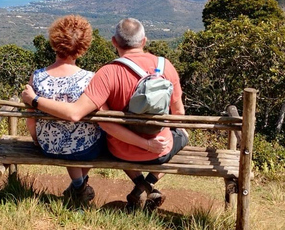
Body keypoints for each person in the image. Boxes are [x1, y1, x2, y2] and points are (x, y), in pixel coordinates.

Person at [22, 17, 187, 211]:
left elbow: (102, 122)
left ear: (114, 42)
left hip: (120, 151)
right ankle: (147, 184)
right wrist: (151, 142)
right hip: (158, 151)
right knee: (183, 134)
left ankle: (94, 186)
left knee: (109, 136)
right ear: (144, 41)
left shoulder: (107, 73)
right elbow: (178, 114)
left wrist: (33, 106)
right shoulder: (165, 66)